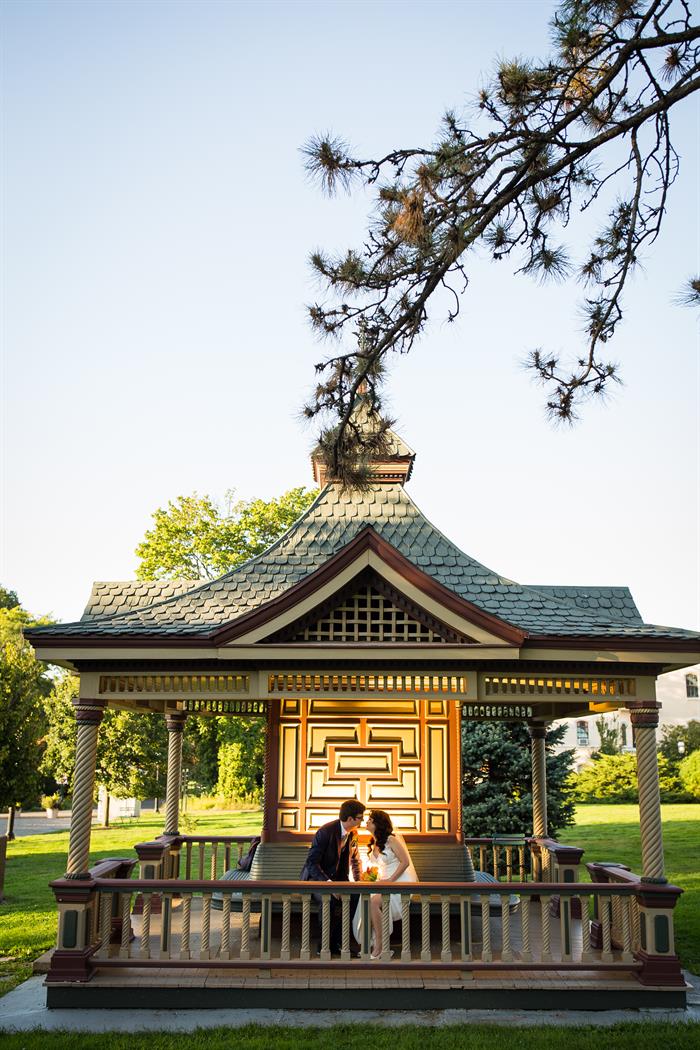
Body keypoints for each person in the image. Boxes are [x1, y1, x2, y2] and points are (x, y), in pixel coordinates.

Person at [300, 798, 365, 955]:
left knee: (356, 897)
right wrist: (329, 885)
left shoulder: (353, 833)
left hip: (339, 881)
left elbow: (355, 860)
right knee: (327, 900)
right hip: (316, 881)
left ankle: (338, 942)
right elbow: (311, 863)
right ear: (350, 819)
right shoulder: (325, 832)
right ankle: (323, 946)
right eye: (360, 818)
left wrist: (359, 881)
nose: (362, 821)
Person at [352, 809, 418, 959]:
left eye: (370, 820)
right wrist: (369, 877)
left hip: (399, 880)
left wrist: (391, 880)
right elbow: (378, 868)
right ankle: (370, 943)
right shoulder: (373, 843)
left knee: (374, 902)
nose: (367, 822)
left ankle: (381, 946)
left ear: (378, 823)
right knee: (365, 899)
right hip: (384, 882)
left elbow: (405, 862)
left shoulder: (391, 840)